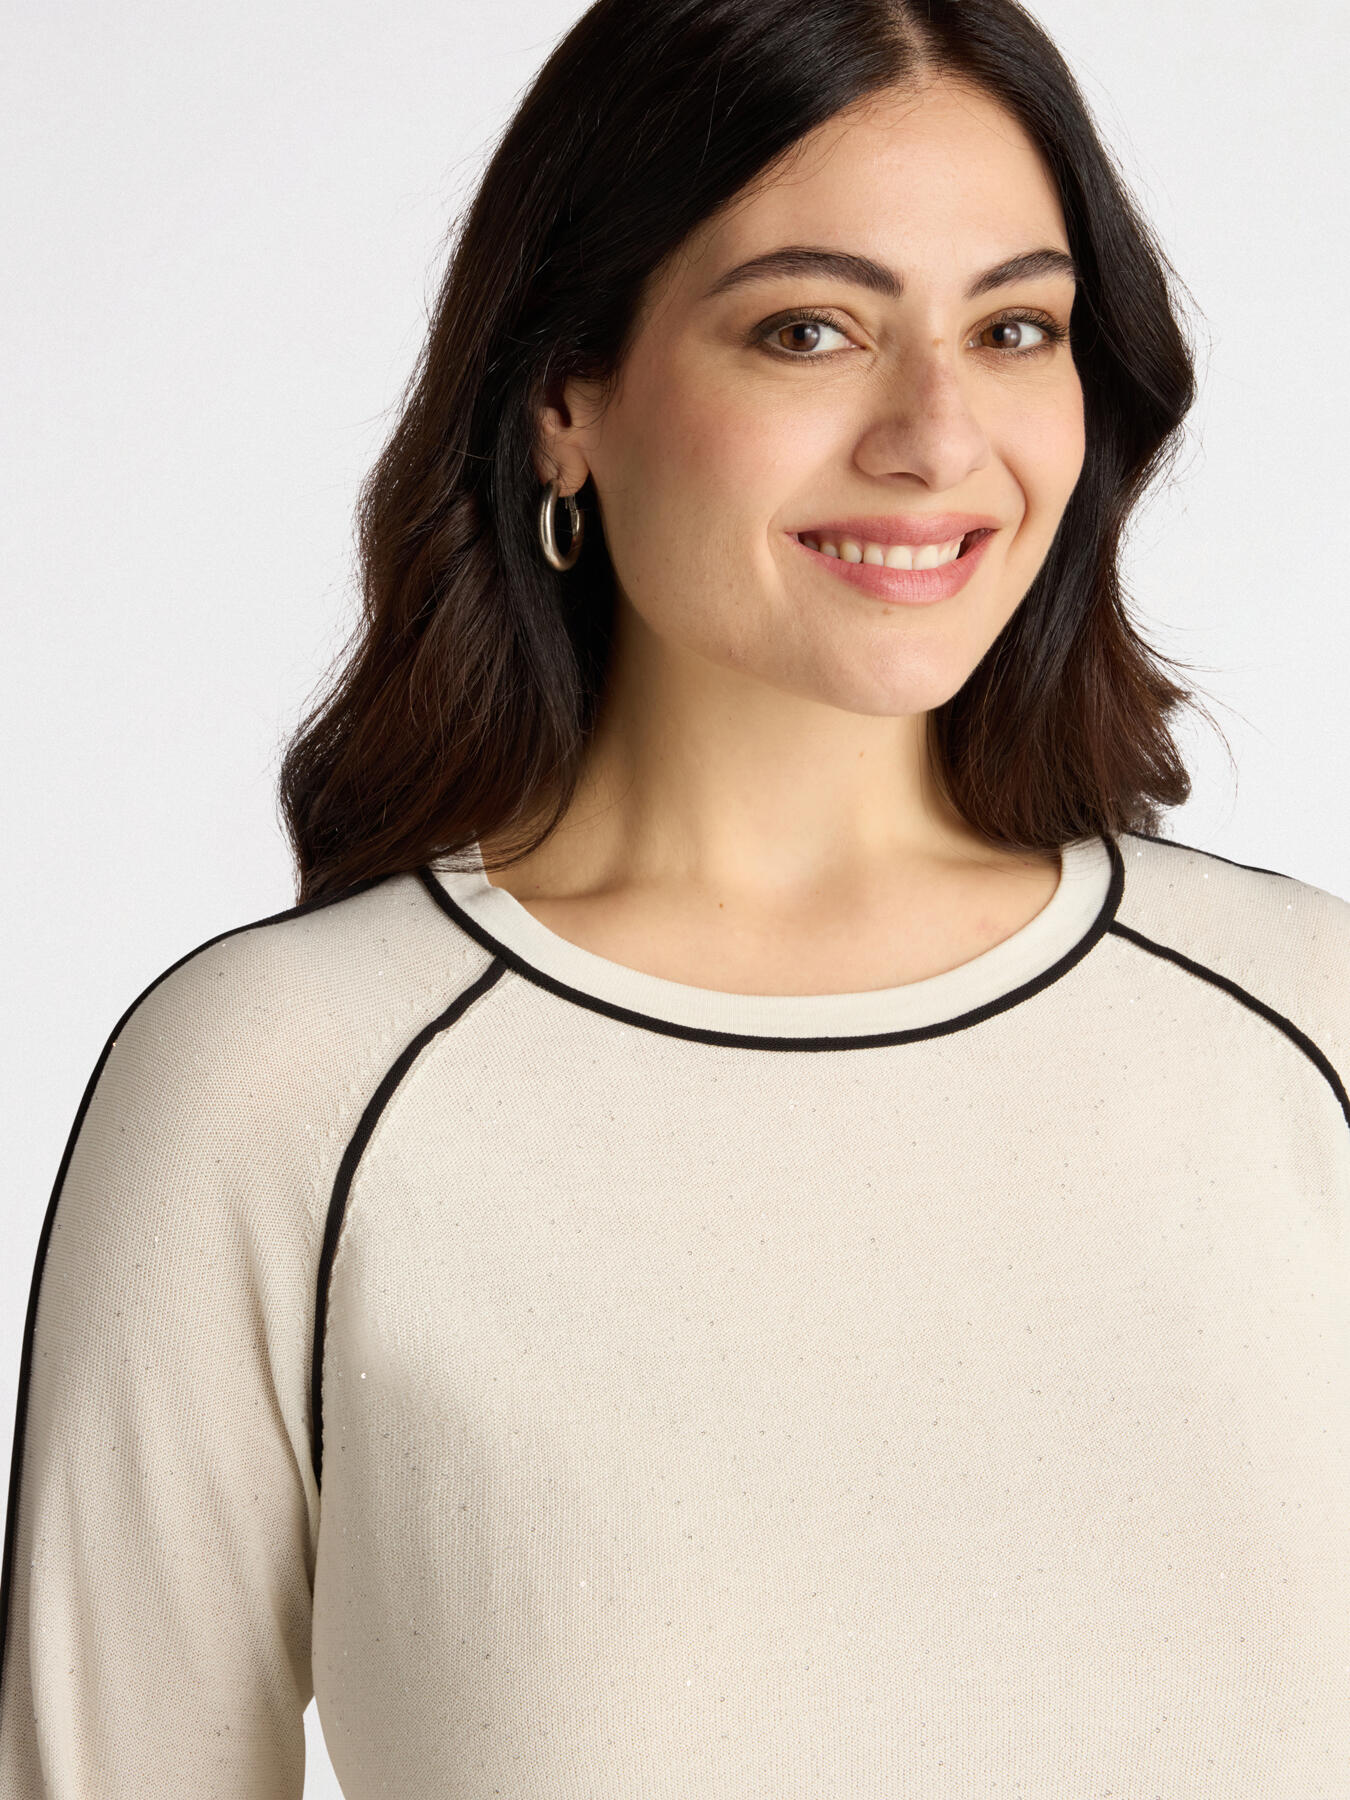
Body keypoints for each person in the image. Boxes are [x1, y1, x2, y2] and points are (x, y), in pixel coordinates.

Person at [3, 0, 1348, 1794]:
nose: (937, 436)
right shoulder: (285, 1085)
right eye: (808, 330)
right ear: (565, 399)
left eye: (1012, 328)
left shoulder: (1302, 1028)